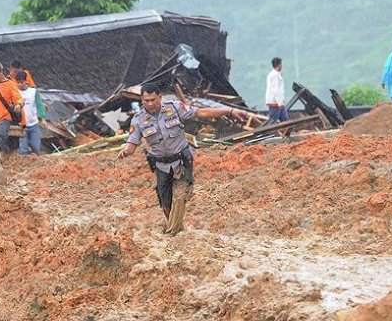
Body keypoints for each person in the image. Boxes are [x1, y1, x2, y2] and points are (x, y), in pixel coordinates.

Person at [117, 83, 254, 235]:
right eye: (146, 100)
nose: (150, 103)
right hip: (161, 165)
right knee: (166, 202)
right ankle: (177, 230)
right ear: (142, 100)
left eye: (153, 99)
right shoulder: (138, 120)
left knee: (180, 195)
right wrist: (125, 151)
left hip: (182, 160)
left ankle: (171, 234)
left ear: (160, 97)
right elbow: (132, 142)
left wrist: (230, 110)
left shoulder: (175, 108)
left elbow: (201, 113)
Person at [16, 71, 46, 155]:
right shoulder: (16, 93)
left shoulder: (33, 92)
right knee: (23, 149)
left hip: (34, 124)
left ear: (26, 81)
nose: (19, 85)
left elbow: (39, 105)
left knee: (36, 147)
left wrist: (43, 119)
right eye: (18, 83)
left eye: (21, 82)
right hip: (22, 126)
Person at [265, 56, 288, 124]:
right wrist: (279, 103)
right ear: (279, 65)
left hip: (278, 102)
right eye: (281, 64)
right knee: (273, 122)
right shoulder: (274, 75)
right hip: (275, 103)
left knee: (285, 120)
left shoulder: (275, 74)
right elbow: (275, 90)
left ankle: (285, 134)